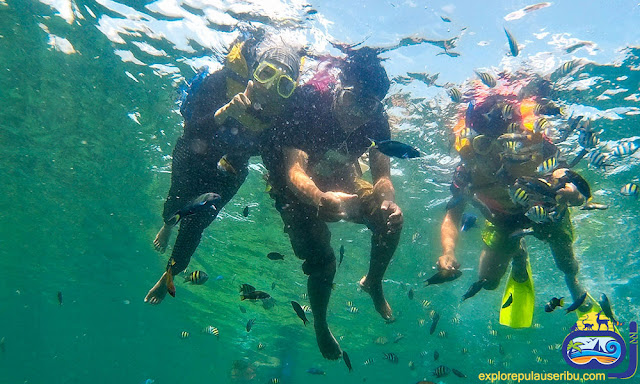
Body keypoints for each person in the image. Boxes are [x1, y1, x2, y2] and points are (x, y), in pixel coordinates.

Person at [262, 46, 403, 359]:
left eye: (367, 104)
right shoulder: (307, 101)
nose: (357, 113)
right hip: (292, 188)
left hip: (339, 175)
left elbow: (382, 176)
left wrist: (389, 201)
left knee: (390, 221)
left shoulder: (377, 120)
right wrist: (319, 198)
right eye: (352, 99)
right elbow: (294, 170)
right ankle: (321, 324)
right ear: (339, 88)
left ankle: (374, 281)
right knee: (322, 259)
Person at [145, 30, 304, 304]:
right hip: (197, 150)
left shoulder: (283, 114)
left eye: (283, 84)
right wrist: (226, 111)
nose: (269, 88)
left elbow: (275, 157)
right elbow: (190, 134)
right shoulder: (221, 83)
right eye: (266, 73)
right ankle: (169, 223)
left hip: (233, 165)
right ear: (254, 69)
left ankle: (169, 274)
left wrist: (283, 196)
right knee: (175, 206)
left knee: (197, 223)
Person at [437, 89, 592, 328]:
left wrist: (573, 193)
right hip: (503, 220)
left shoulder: (537, 149)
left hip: (547, 214)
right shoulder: (466, 170)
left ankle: (574, 285)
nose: (497, 154)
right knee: (487, 281)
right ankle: (518, 254)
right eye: (485, 144)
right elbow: (452, 215)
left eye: (506, 142)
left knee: (567, 264)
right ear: (472, 142)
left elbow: (568, 178)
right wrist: (448, 251)